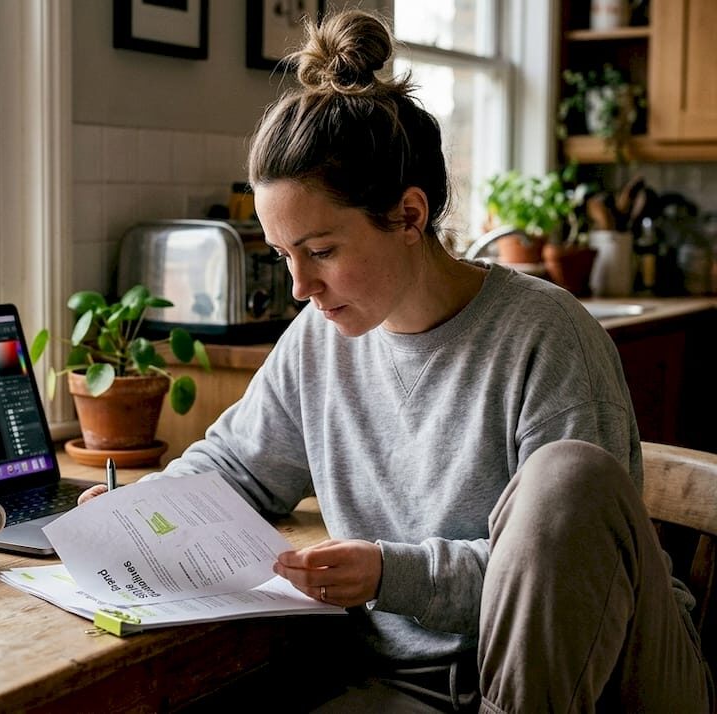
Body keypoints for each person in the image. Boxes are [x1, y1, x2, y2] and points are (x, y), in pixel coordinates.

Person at [78, 9, 714, 713]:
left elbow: (569, 577)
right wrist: (143, 509)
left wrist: (390, 573)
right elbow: (235, 467)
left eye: (321, 251)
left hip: (611, 677)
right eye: (284, 255)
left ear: (410, 216)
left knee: (568, 476)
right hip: (411, 686)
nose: (300, 286)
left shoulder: (546, 335)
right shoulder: (319, 338)